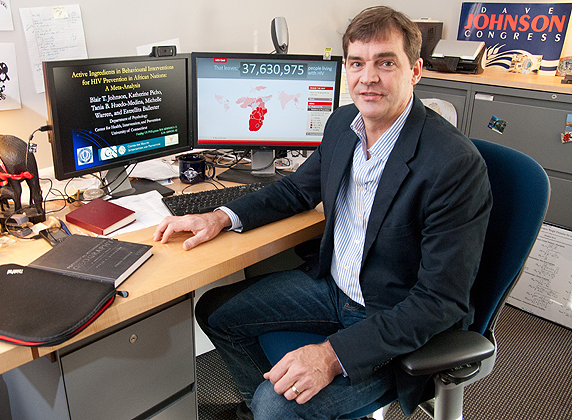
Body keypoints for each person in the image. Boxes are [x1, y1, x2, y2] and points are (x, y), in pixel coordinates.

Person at [154, 6, 492, 419]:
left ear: (415, 71)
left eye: (386, 63)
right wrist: (220, 216)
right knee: (216, 312)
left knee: (277, 406)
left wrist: (331, 356)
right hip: (333, 288)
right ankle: (253, 410)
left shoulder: (453, 164)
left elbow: (440, 301)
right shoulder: (343, 124)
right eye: (357, 63)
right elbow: (297, 188)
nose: (368, 77)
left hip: (394, 317)